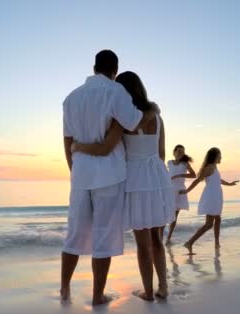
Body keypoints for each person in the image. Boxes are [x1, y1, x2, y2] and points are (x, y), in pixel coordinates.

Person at [61, 50, 156, 306]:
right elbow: (134, 122)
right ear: (115, 70)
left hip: (80, 174)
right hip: (109, 175)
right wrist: (152, 110)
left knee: (74, 233)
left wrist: (76, 170)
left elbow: (67, 141)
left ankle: (64, 290)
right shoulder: (116, 92)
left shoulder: (71, 98)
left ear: (94, 68)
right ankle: (96, 295)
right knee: (103, 235)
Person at [72, 71, 174, 301]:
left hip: (136, 179)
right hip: (157, 178)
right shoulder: (157, 117)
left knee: (142, 242)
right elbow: (161, 153)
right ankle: (163, 287)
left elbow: (107, 147)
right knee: (157, 238)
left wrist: (79, 147)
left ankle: (148, 292)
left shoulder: (124, 120)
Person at [180, 148, 238, 254]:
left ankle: (216, 243)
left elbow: (218, 180)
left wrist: (229, 184)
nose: (221, 157)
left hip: (216, 196)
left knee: (218, 219)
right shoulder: (210, 168)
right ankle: (189, 242)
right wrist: (186, 191)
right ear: (215, 156)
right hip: (211, 197)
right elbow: (197, 180)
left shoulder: (214, 167)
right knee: (209, 224)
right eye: (220, 155)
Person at [165, 145, 196, 245]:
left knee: (174, 216)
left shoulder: (185, 164)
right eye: (178, 151)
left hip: (179, 190)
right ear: (174, 152)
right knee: (165, 212)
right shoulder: (169, 163)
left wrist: (180, 175)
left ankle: (168, 238)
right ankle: (162, 233)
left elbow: (194, 175)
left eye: (182, 152)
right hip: (169, 189)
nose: (180, 153)